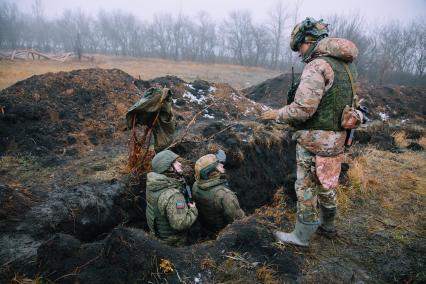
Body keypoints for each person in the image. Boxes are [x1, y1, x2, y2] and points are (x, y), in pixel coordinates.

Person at [261, 17, 360, 246]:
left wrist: (276, 115)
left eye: (299, 47)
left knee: (305, 186)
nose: (299, 52)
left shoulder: (317, 65)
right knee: (327, 182)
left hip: (314, 140)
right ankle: (328, 226)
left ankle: (301, 236)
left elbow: (303, 109)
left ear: (308, 40)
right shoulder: (347, 65)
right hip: (337, 138)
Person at [146, 150, 198, 246]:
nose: (179, 164)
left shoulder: (154, 184)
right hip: (173, 243)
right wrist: (193, 209)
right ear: (169, 168)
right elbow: (181, 224)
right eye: (175, 163)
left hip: (156, 237)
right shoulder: (174, 196)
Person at [192, 151, 245, 234]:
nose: (222, 165)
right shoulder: (225, 195)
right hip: (223, 234)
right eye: (217, 164)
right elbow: (240, 222)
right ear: (212, 171)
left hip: (207, 229)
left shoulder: (195, 185)